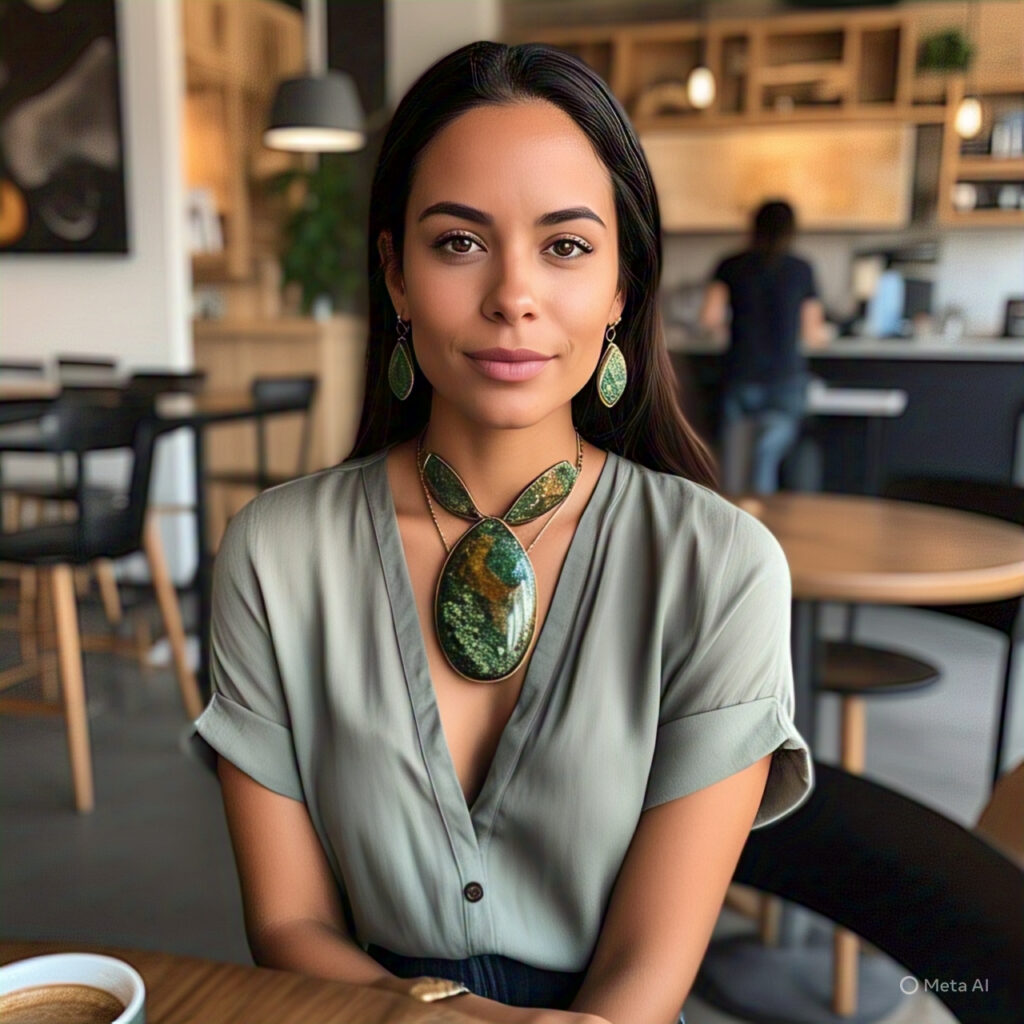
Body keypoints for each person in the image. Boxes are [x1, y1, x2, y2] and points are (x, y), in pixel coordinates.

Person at [193, 42, 813, 1024]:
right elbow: (287, 924)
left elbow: (649, 968)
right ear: (394, 273)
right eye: (458, 242)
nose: (512, 296)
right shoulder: (275, 555)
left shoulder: (720, 569)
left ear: (622, 286)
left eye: (565, 246)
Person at [699, 200, 828, 494]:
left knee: (733, 466)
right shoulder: (801, 269)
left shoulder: (730, 265)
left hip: (741, 373)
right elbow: (812, 334)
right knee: (765, 457)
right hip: (785, 379)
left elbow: (709, 318)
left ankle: (738, 525)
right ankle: (764, 524)